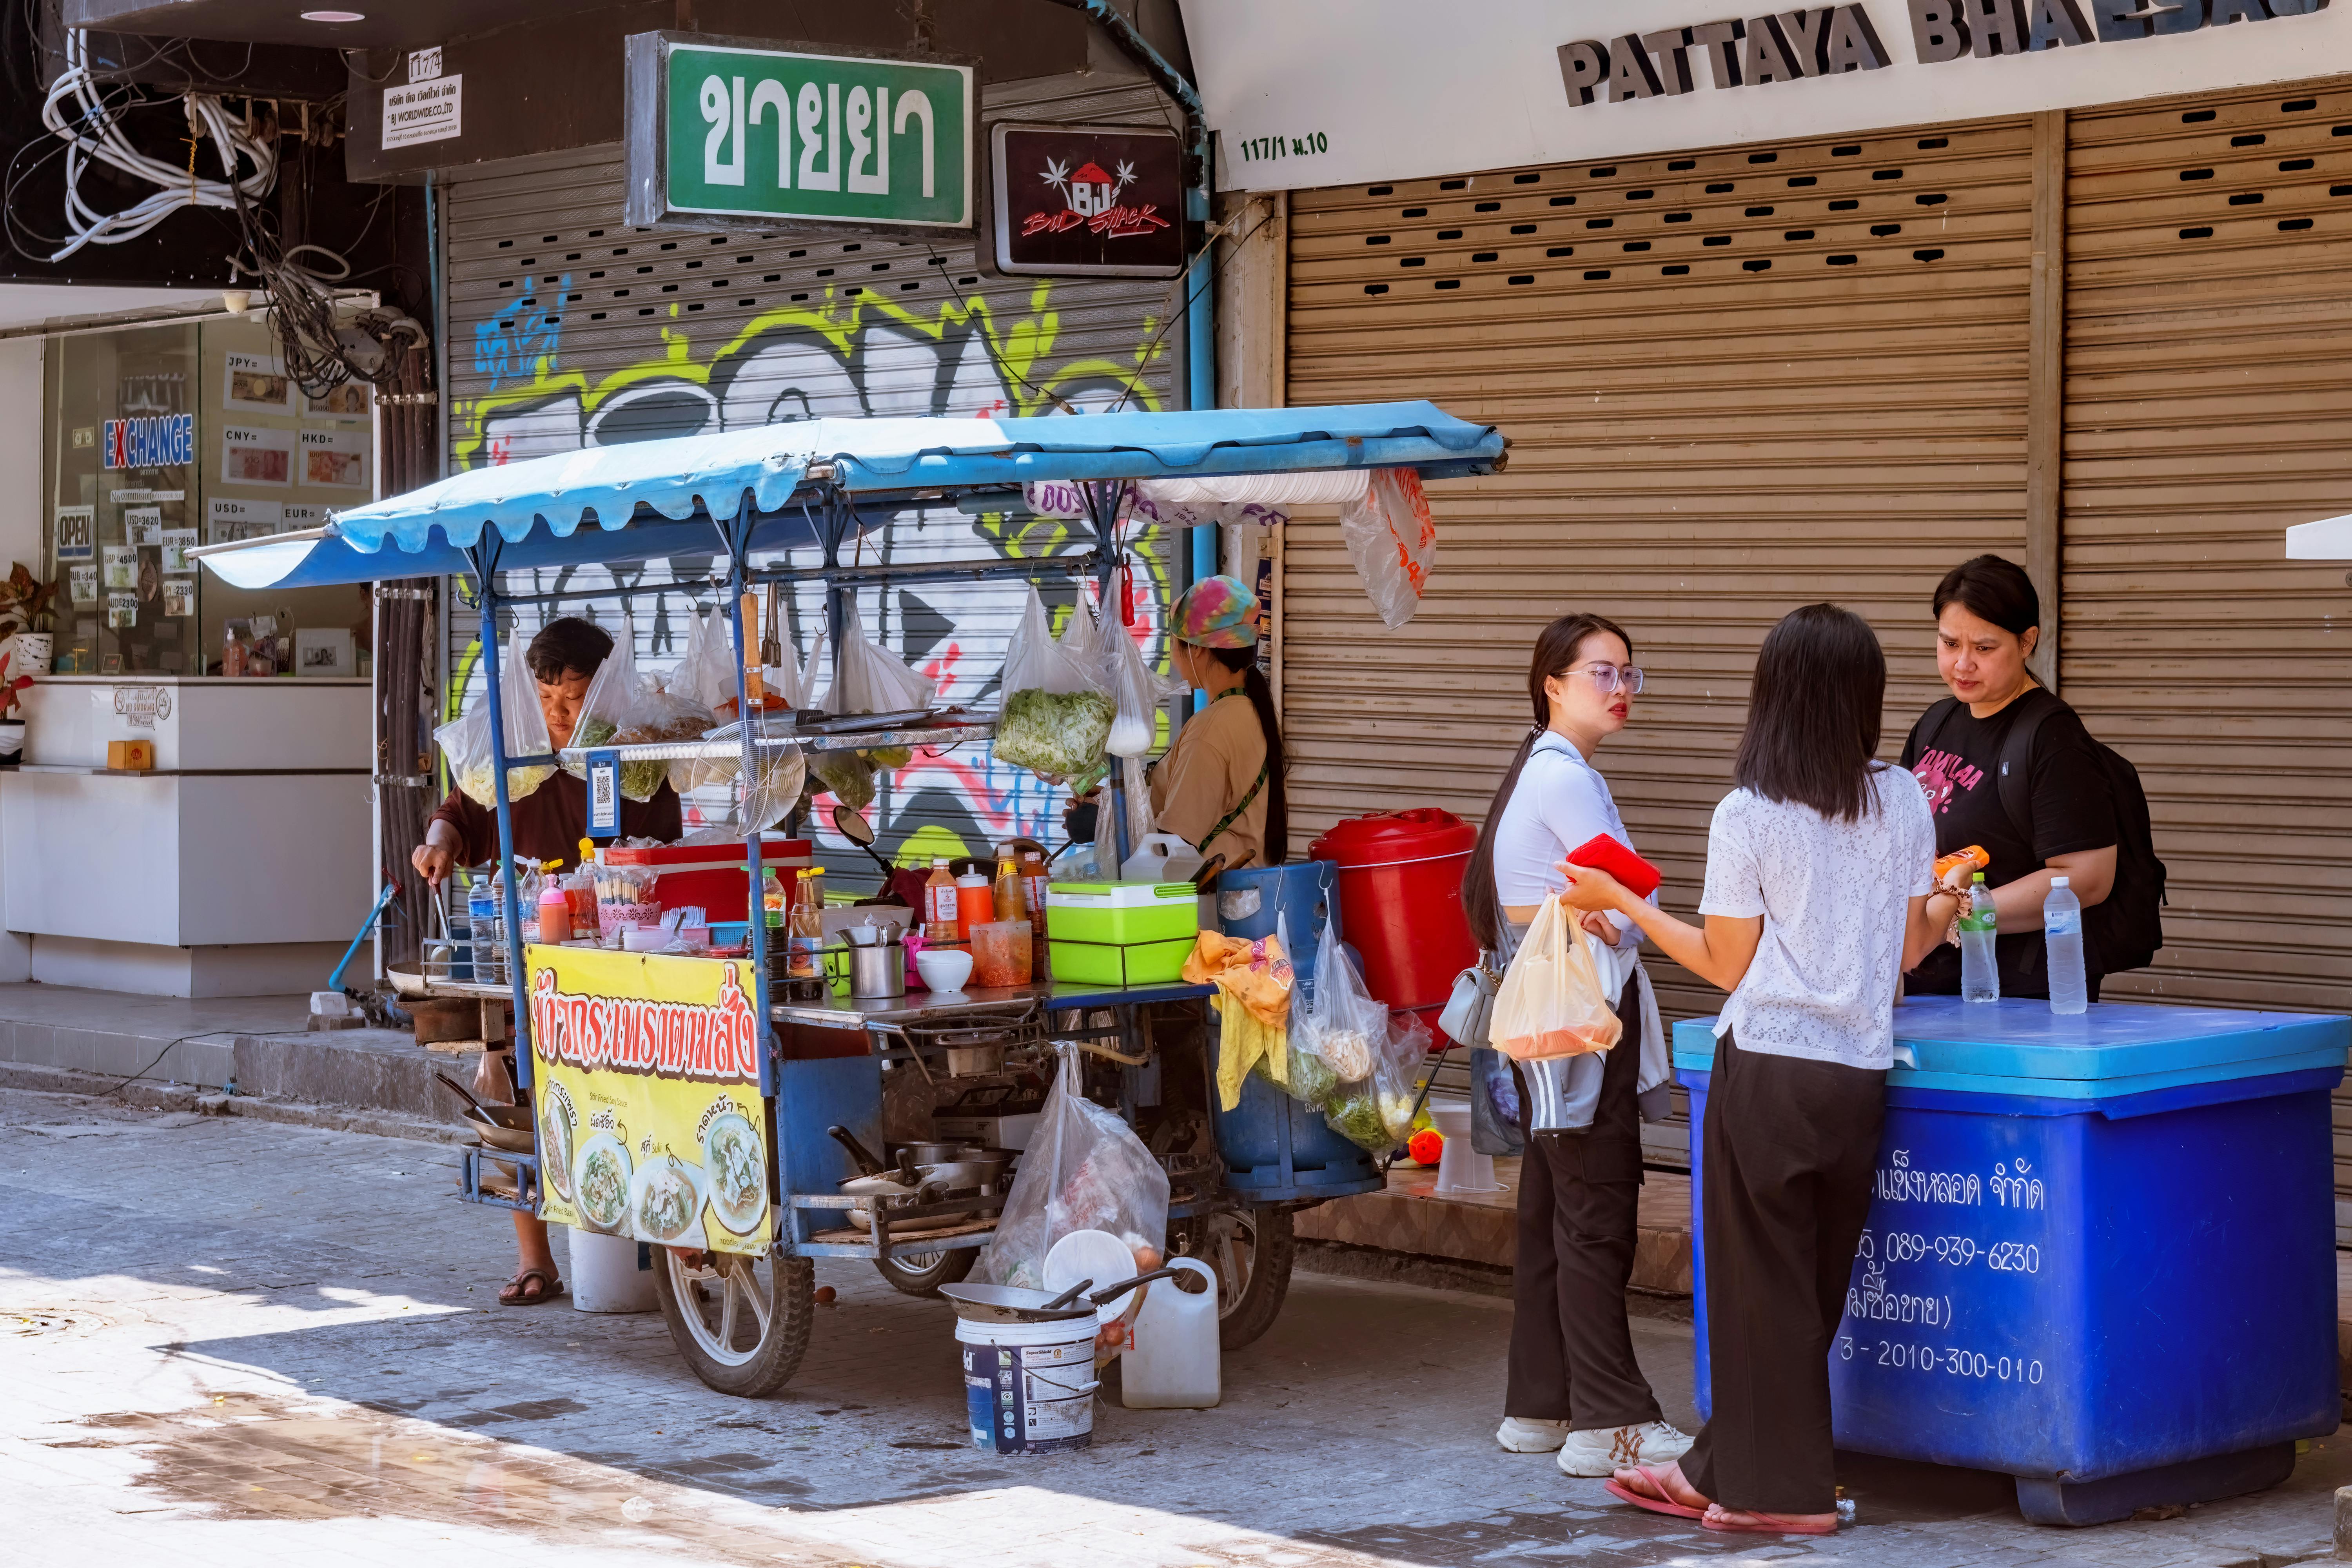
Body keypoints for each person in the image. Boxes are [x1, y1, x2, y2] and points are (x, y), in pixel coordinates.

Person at [1561, 604, 1960, 1537]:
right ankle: (1721, 1467)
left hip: (1770, 1070)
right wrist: (1945, 898)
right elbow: (1909, 949)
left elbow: (1725, 964)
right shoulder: (1902, 797)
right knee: (1808, 1288)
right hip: (1857, 1075)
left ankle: (1778, 1494)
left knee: (1757, 1292)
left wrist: (1618, 897)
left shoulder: (1748, 812)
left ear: (1771, 696)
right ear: (1864, 699)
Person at [1462, 613, 1689, 1478]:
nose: (1622, 688)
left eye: (1631, 673)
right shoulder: (1566, 779)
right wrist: (1619, 907)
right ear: (1553, 682)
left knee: (1556, 1212)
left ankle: (1541, 1403)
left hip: (1546, 1019)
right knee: (1596, 1211)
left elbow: (1614, 896)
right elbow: (1640, 891)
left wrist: (1612, 905)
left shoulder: (1538, 768)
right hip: (1583, 1018)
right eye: (1604, 672)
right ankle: (1611, 1421)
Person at [412, 616, 684, 1306]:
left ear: (605, 694)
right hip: (526, 955)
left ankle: (677, 1261)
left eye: (575, 700)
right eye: (548, 701)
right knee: (502, 1084)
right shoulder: (510, 750)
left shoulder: (635, 751)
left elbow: (665, 853)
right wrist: (439, 843)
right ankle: (537, 1261)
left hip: (617, 957)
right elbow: (457, 812)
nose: (560, 716)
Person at [1900, 556, 2117, 1001]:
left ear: (2026, 642)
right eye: (1949, 643)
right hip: (1929, 983)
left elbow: (2089, 877)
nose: (1963, 664)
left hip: (2017, 994)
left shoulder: (2052, 737)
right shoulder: (1936, 721)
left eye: (1984, 648)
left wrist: (1955, 913)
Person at [1145, 574, 1287, 871]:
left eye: (1174, 643)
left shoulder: (1211, 728)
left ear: (1197, 647)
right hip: (1248, 891)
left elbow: (1175, 844)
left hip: (1213, 903)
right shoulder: (1249, 710)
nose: (1172, 657)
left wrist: (1105, 824)